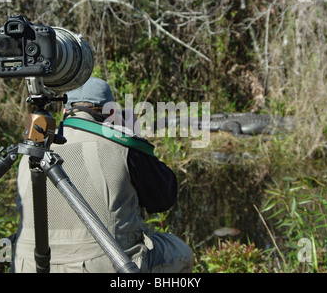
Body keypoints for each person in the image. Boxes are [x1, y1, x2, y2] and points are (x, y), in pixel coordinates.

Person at [12, 77, 193, 273]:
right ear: (111, 112)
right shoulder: (122, 146)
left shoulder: (31, 152)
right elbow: (163, 199)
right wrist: (132, 137)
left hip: (30, 265)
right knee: (180, 252)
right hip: (105, 265)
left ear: (65, 111)